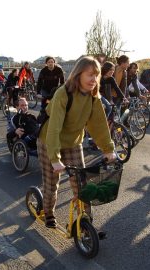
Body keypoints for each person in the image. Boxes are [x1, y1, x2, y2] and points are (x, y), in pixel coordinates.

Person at [37, 56, 116, 230]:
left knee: (82, 185)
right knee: (52, 184)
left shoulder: (93, 97)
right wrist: (55, 158)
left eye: (97, 76)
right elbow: (54, 129)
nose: (94, 80)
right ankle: (49, 213)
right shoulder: (63, 94)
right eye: (90, 75)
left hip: (73, 142)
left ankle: (85, 221)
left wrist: (108, 149)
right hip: (50, 141)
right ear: (78, 74)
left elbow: (99, 126)